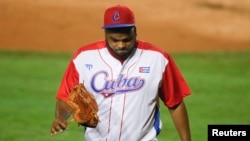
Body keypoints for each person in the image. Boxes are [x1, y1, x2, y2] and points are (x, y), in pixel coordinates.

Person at [50, 5, 192, 141]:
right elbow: (65, 97)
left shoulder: (157, 58)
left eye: (126, 40)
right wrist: (60, 117)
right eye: (115, 40)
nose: (121, 45)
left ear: (135, 32)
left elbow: (175, 102)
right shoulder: (83, 57)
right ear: (105, 34)